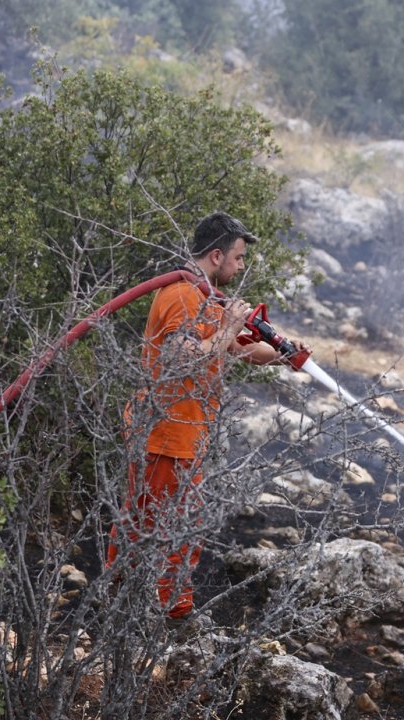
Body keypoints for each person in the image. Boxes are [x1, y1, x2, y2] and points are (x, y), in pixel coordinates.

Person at [106, 211, 309, 624]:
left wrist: (283, 355)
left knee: (149, 519)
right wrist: (231, 323)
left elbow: (235, 348)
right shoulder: (182, 296)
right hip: (166, 432)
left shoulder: (204, 297)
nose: (241, 266)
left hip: (179, 432)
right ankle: (169, 613)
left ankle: (120, 599)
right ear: (216, 255)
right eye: (237, 257)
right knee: (170, 523)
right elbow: (182, 357)